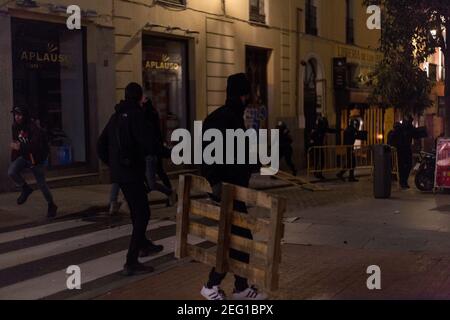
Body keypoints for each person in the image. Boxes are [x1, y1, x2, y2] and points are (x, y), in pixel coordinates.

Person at [200, 73, 267, 301]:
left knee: (236, 239)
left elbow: (236, 154)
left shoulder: (231, 117)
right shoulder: (225, 118)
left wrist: (251, 163)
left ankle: (240, 287)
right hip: (228, 190)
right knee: (238, 239)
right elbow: (209, 153)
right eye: (248, 93)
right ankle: (212, 285)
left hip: (233, 189)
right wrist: (215, 181)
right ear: (242, 94)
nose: (250, 98)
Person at [98, 82, 163, 276]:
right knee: (142, 213)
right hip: (132, 172)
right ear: (139, 96)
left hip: (121, 174)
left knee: (137, 211)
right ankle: (131, 261)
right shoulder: (136, 116)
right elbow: (149, 143)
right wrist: (169, 152)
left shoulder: (115, 117)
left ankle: (143, 244)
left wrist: (113, 164)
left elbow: (100, 145)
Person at [8, 106, 57, 218]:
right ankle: (25, 188)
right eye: (15, 115)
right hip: (24, 156)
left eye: (19, 115)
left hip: (36, 159)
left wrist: (20, 146)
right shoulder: (15, 126)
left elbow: (34, 146)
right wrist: (14, 155)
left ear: (24, 116)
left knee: (41, 185)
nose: (17, 117)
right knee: (11, 171)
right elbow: (16, 142)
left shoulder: (33, 128)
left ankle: (51, 205)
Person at [143, 99, 176, 207]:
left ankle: (170, 193)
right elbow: (158, 131)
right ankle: (170, 192)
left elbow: (154, 132)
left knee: (152, 177)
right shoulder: (153, 113)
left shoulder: (147, 115)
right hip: (155, 148)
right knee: (159, 173)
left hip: (152, 149)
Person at [309, 115, 338, 180]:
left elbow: (329, 130)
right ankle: (317, 173)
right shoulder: (317, 130)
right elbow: (311, 139)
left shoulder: (320, 129)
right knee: (318, 160)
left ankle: (318, 173)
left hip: (319, 147)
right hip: (316, 147)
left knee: (320, 160)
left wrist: (337, 130)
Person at [337, 118, 360, 182]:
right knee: (352, 163)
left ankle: (349, 176)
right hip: (349, 147)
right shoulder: (351, 129)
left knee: (351, 163)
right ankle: (343, 174)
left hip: (348, 147)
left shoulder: (348, 128)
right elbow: (356, 135)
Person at [397, 115, 415, 189]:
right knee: (402, 166)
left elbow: (415, 134)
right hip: (401, 150)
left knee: (408, 165)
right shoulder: (400, 128)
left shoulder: (410, 128)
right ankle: (402, 182)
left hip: (407, 149)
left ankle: (404, 181)